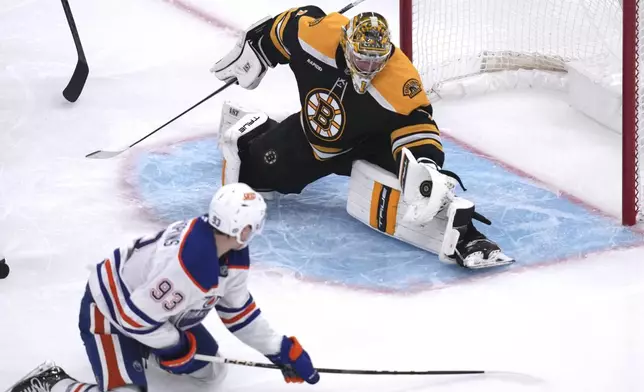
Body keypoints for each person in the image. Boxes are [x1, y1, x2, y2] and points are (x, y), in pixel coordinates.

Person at [211, 6, 514, 269]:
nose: (368, 67)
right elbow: (286, 26)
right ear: (346, 43)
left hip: (369, 143)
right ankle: (256, 129)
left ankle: (469, 240)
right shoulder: (316, 36)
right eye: (362, 58)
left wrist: (426, 163)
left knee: (421, 185)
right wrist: (258, 49)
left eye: (375, 60)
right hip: (311, 137)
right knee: (252, 176)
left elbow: (418, 124)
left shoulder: (400, 78)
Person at [6, 183, 319, 392]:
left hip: (157, 317)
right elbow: (134, 320)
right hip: (109, 316)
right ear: (243, 228)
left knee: (210, 371)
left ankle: (145, 349)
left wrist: (279, 350)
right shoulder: (187, 265)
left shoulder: (230, 252)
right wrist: (176, 348)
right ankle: (53, 383)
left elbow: (238, 313)